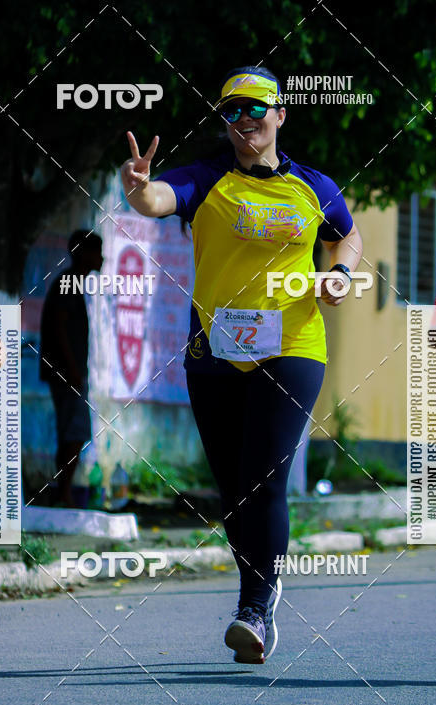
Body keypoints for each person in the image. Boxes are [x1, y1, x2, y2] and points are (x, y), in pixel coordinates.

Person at [121, 66, 362, 663]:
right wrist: (138, 188)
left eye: (256, 108)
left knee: (264, 478)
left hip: (293, 345)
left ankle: (254, 608)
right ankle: (259, 593)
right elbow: (157, 199)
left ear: (280, 114)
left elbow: (347, 235)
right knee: (232, 492)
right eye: (232, 111)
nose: (244, 120)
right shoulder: (207, 178)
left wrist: (339, 273)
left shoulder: (313, 185)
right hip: (216, 351)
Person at [39, 230, 103, 507]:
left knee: (71, 432)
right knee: (75, 433)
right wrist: (73, 369)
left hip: (68, 372)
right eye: (97, 251)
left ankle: (62, 491)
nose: (102, 258)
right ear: (83, 253)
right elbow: (59, 327)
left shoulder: (73, 282)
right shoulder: (69, 282)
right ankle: (63, 493)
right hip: (67, 373)